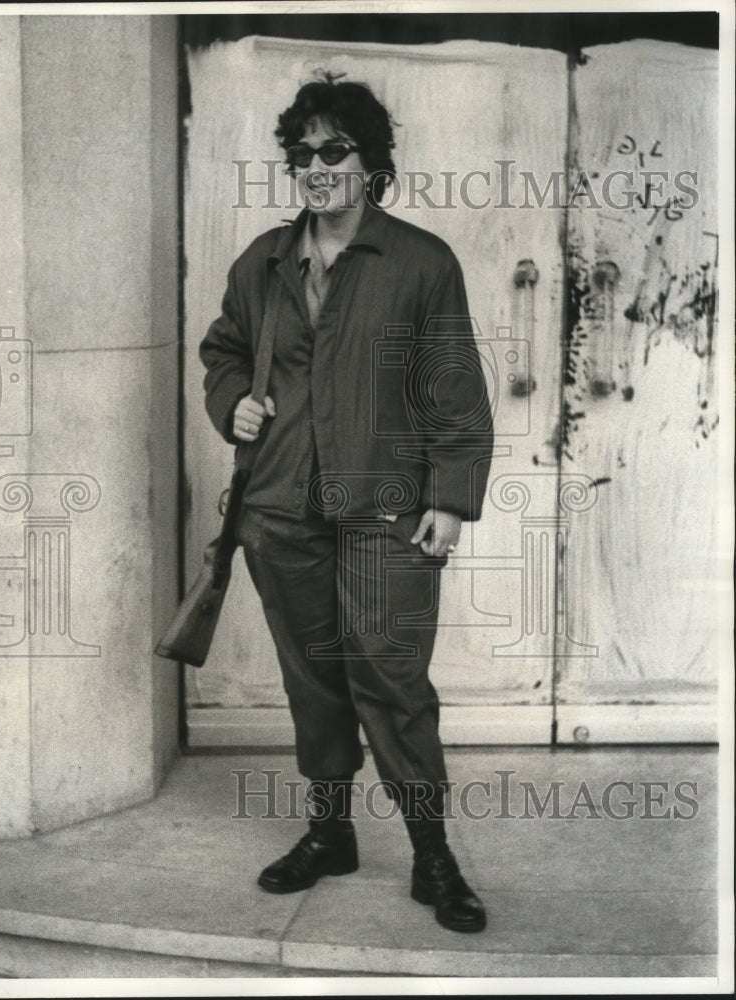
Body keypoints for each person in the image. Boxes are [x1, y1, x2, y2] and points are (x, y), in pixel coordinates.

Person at [200, 75, 494, 933]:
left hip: (389, 511)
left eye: (335, 151)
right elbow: (223, 351)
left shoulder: (420, 262)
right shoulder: (261, 261)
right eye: (302, 155)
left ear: (371, 163)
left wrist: (449, 498)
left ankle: (432, 854)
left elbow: (454, 390)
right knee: (314, 682)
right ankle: (330, 833)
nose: (317, 168)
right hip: (282, 509)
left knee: (392, 681)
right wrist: (232, 404)